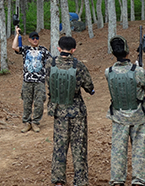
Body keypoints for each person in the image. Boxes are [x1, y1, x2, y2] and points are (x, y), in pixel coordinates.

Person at [105, 36, 145, 186]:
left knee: (118, 150)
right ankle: (139, 180)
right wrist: (139, 68)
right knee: (139, 149)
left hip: (119, 115)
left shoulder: (109, 71)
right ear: (127, 51)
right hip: (138, 115)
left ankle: (117, 180)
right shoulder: (138, 71)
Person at [47, 36, 94, 186]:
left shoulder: (49, 63)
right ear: (73, 50)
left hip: (59, 111)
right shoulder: (78, 65)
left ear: (59, 48)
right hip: (77, 112)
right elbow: (89, 87)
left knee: (59, 146)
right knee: (79, 146)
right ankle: (80, 181)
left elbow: (48, 82)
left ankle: (58, 181)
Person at [12, 26, 50, 133]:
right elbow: (14, 47)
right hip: (27, 81)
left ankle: (35, 123)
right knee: (27, 103)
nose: (35, 39)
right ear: (29, 40)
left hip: (39, 81)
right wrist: (17, 35)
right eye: (32, 38)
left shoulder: (43, 50)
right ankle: (27, 123)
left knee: (39, 103)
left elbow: (50, 62)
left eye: (36, 38)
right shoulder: (25, 49)